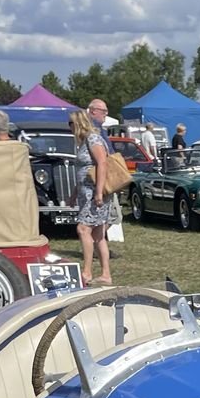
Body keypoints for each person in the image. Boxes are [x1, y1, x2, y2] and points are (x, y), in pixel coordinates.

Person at [72, 102, 113, 286]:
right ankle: (106, 274)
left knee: (83, 229)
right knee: (98, 235)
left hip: (95, 194)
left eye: (71, 125)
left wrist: (98, 193)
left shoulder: (93, 139)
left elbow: (101, 164)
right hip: (86, 192)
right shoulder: (84, 141)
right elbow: (84, 170)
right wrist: (74, 194)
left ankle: (87, 271)